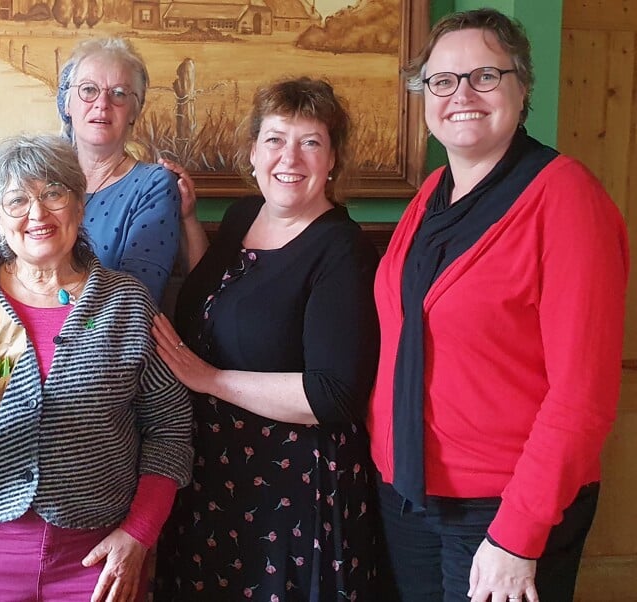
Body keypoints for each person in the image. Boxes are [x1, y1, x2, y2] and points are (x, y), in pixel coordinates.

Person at [368, 9, 629, 602]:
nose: (462, 94)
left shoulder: (566, 200)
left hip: (504, 508)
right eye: (442, 80)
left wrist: (518, 535)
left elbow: (582, 396)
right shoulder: (431, 194)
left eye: (485, 75)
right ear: (424, 95)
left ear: (521, 85)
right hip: (409, 492)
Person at [0, 134, 194, 601]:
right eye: (17, 200)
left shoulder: (125, 304)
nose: (37, 214)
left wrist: (139, 534)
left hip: (96, 559)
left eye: (53, 194)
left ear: (79, 206)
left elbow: (170, 428)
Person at [152, 77, 385, 601]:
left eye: (311, 142)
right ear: (254, 151)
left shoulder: (340, 251)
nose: (291, 157)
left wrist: (207, 379)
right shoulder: (241, 216)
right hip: (217, 469)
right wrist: (190, 221)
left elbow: (333, 395)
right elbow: (228, 299)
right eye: (276, 138)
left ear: (332, 161)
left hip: (293, 489)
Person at [0, 37, 186, 302]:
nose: (102, 102)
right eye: (89, 90)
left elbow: (136, 298)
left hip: (103, 336)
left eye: (119, 93)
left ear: (134, 111)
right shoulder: (32, 177)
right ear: (67, 104)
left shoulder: (153, 184)